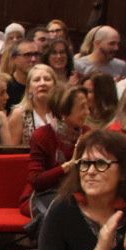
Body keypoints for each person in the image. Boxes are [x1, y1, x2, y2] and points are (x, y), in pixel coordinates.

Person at [24, 84, 91, 218]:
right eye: (82, 107)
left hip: (78, 193)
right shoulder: (42, 135)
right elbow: (36, 181)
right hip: (45, 195)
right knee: (65, 210)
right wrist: (68, 166)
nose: (87, 112)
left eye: (87, 106)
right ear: (63, 113)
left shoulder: (88, 133)